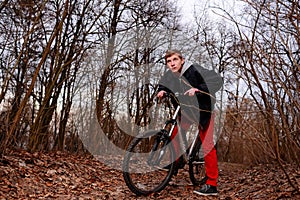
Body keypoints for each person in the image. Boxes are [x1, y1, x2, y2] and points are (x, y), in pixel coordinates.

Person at [156, 49, 222, 196]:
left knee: (207, 145)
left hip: (204, 112)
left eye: (175, 60)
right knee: (173, 133)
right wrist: (161, 90)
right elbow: (163, 84)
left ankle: (212, 184)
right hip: (187, 111)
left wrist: (198, 88)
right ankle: (177, 161)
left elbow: (217, 79)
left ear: (182, 60)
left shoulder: (194, 70)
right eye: (169, 61)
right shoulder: (170, 75)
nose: (172, 64)